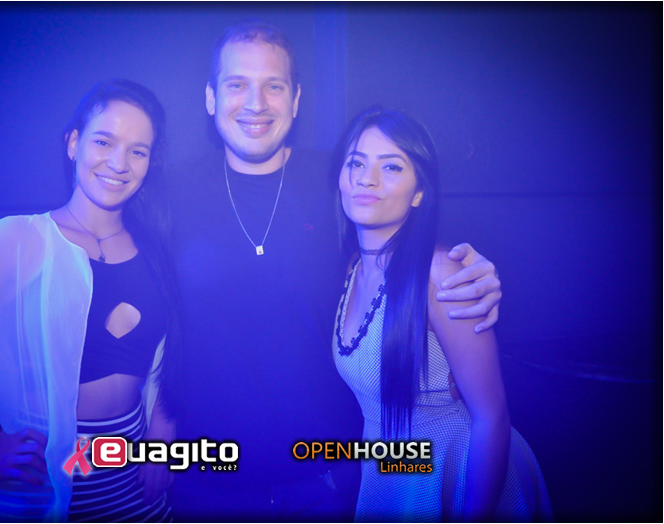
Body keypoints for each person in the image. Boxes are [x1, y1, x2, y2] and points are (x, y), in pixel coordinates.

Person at [168, 21, 503, 521]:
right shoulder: (167, 191)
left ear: (296, 99)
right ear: (211, 98)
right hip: (208, 479)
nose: (255, 103)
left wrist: (474, 270)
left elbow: (410, 241)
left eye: (273, 85)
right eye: (237, 84)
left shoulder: (341, 180)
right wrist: (158, 416)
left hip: (332, 476)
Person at [0, 79, 179, 522]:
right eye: (104, 141)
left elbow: (168, 356)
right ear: (73, 143)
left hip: (141, 491)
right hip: (42, 491)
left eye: (138, 151)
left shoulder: (155, 249)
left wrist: (163, 435)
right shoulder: (13, 241)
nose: (119, 163)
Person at [332, 107, 552, 522]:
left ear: (419, 193)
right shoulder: (353, 269)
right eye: (356, 163)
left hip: (461, 473)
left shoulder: (439, 272)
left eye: (391, 166)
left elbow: (491, 416)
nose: (367, 179)